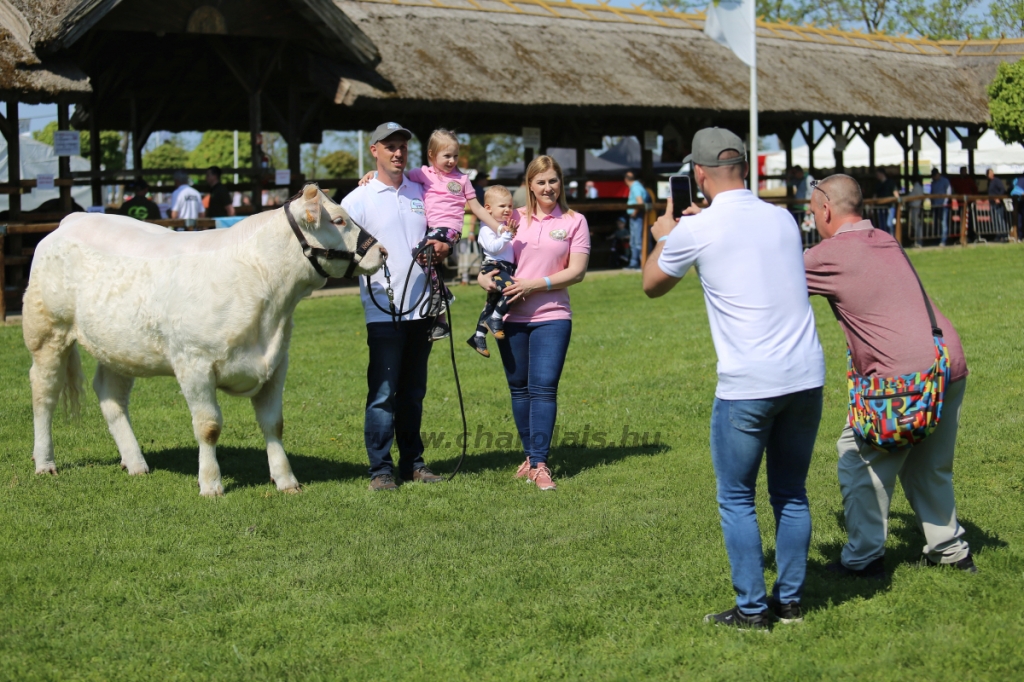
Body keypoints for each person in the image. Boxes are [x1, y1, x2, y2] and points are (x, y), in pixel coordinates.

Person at [642, 128, 825, 630]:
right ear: (744, 167)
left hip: (748, 382)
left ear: (698, 175)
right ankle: (790, 604)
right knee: (791, 492)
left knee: (737, 497)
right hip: (806, 373)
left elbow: (651, 284)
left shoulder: (695, 229)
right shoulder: (783, 217)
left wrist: (664, 237)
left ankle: (751, 610)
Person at [803, 174, 974, 578]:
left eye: (812, 213)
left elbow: (770, 280)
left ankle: (864, 559)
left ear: (826, 210)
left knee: (857, 457)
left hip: (903, 380)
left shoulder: (831, 255)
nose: (812, 222)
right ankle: (950, 550)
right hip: (946, 363)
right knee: (927, 464)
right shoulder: (884, 239)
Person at [340, 122, 447, 491]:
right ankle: (380, 470)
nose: (398, 152)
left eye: (402, 146)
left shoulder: (423, 189)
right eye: (390, 146)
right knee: (384, 393)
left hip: (423, 306)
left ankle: (413, 464)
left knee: (414, 391)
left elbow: (453, 201)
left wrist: (443, 246)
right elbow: (340, 251)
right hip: (382, 310)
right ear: (374, 151)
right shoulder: (358, 199)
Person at [478, 155, 590, 491]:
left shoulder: (574, 220)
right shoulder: (512, 218)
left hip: (553, 316)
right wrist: (486, 281)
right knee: (519, 388)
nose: (548, 188)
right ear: (529, 185)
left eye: (553, 181)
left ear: (561, 183)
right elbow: (490, 259)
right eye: (540, 182)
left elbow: (577, 271)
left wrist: (533, 284)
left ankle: (540, 463)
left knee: (544, 387)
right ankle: (530, 456)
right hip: (509, 317)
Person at [360, 129, 508, 341]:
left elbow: (477, 208)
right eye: (446, 156)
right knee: (422, 257)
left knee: (421, 251)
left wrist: (498, 227)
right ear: (431, 155)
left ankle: (440, 298)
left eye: (455, 156)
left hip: (450, 229)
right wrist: (373, 175)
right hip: (432, 230)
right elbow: (396, 176)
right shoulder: (423, 174)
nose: (452, 161)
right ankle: (440, 306)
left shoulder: (462, 179)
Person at [467, 185, 518, 358]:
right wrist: (507, 235)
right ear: (488, 209)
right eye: (502, 206)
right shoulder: (486, 228)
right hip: (494, 266)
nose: (507, 210)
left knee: (490, 303)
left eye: (510, 206)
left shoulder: (503, 226)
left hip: (505, 267)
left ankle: (478, 336)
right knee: (513, 290)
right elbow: (494, 248)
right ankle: (495, 318)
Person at [624, 171, 650, 270]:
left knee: (637, 240)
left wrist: (635, 212)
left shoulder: (635, 187)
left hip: (637, 216)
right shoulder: (637, 186)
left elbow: (640, 202)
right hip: (636, 215)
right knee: (634, 240)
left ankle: (641, 263)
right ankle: (634, 263)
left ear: (626, 180)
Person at [930, 168, 952, 246]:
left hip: (943, 205)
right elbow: (932, 193)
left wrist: (945, 202)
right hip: (936, 205)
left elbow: (948, 192)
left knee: (943, 223)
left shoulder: (945, 181)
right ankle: (937, 238)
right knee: (936, 223)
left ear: (937, 174)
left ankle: (943, 240)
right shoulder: (933, 183)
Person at [906, 175, 925, 247]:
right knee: (916, 225)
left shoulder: (917, 187)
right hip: (916, 207)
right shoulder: (918, 186)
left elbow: (911, 196)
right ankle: (917, 241)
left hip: (915, 207)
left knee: (917, 225)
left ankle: (919, 241)